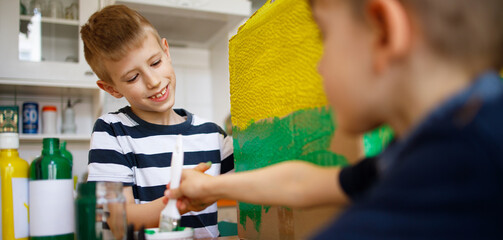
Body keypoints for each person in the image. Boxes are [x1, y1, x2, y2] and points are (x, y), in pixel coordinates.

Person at [165, 0, 503, 239]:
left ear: (384, 30)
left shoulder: (455, 168)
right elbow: (302, 183)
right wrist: (209, 187)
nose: (320, 65)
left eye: (324, 35)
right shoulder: (436, 142)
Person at [81, 5, 234, 238]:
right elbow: (116, 219)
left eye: (155, 63)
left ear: (166, 51)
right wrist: (181, 203)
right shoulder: (112, 132)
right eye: (133, 77)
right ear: (111, 88)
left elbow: (257, 181)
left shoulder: (213, 135)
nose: (153, 81)